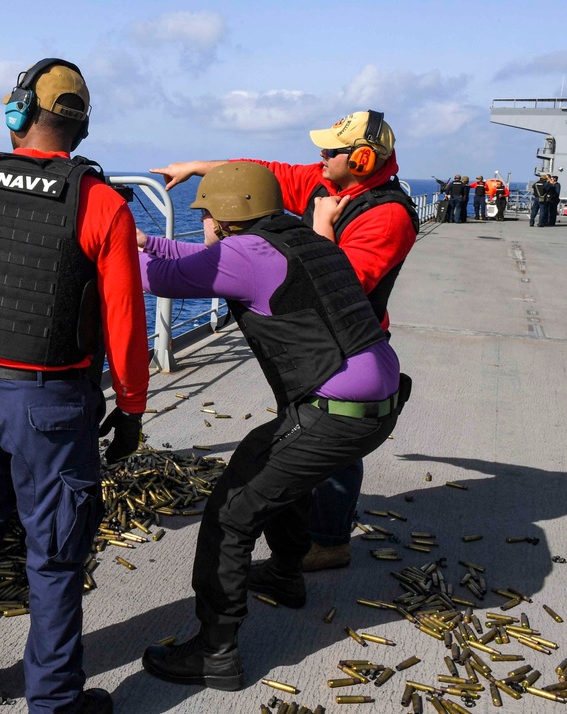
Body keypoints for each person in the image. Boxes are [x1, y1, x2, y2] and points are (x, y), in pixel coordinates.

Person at [0, 57, 149, 714]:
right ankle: (53, 702)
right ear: (80, 126)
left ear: (18, 113)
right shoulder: (99, 202)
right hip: (50, 404)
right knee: (53, 555)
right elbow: (125, 326)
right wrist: (130, 410)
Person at [137, 162, 407, 690]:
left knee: (232, 512)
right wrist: (137, 236)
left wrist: (95, 241)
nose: (203, 224)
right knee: (275, 468)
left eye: (206, 214)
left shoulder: (244, 256)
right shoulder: (298, 239)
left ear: (224, 216)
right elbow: (187, 256)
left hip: (335, 411)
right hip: (374, 399)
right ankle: (285, 574)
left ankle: (215, 654)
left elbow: (155, 276)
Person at [150, 110, 418, 572]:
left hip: (347, 343)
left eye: (332, 150)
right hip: (313, 344)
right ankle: (296, 545)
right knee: (304, 437)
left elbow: (336, 283)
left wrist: (322, 227)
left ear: (360, 158)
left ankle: (330, 540)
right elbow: (266, 175)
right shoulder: (326, 182)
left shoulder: (388, 215)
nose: (321, 155)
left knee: (332, 440)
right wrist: (198, 168)